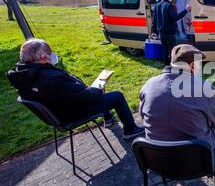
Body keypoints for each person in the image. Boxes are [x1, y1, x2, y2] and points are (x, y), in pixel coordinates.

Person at [7, 39, 144, 140]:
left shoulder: (24, 75)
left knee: (94, 91)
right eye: (50, 52)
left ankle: (107, 118)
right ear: (43, 57)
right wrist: (96, 90)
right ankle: (130, 129)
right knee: (116, 96)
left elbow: (68, 92)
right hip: (72, 113)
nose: (53, 55)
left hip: (58, 112)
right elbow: (86, 97)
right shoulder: (49, 78)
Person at [139, 44, 215, 159]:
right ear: (192, 66)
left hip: (156, 157)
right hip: (197, 160)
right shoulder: (203, 87)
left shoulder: (149, 84)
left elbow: (142, 116)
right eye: (199, 65)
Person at [151, 0, 191, 65]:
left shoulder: (157, 5)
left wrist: (154, 31)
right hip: (170, 33)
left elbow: (154, 20)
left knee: (164, 50)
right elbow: (176, 17)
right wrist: (186, 10)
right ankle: (172, 65)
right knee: (172, 50)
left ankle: (166, 66)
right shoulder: (169, 6)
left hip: (161, 32)